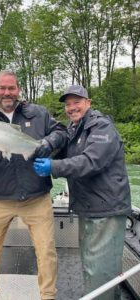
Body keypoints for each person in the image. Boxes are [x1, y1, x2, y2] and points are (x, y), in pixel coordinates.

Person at [0, 70, 67, 300]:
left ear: (18, 89)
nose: (7, 93)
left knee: (46, 251)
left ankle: (48, 295)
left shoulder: (38, 114)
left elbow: (62, 132)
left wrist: (48, 142)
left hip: (36, 196)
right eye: (2, 88)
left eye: (11, 88)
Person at [33, 85, 132, 299]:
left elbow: (91, 161)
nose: (71, 107)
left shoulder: (101, 127)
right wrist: (43, 146)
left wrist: (54, 167)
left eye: (76, 102)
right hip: (89, 208)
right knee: (92, 266)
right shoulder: (75, 129)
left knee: (99, 272)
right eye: (68, 104)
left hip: (106, 211)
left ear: (88, 103)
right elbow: (63, 150)